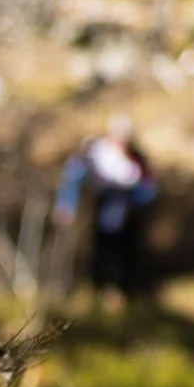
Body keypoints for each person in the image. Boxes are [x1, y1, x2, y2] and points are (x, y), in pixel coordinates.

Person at [54, 115, 158, 303]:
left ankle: (124, 289)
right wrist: (67, 204)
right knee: (102, 246)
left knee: (127, 249)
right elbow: (73, 177)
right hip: (103, 204)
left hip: (128, 209)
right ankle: (100, 287)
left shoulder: (137, 158)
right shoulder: (95, 152)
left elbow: (148, 187)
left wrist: (139, 205)